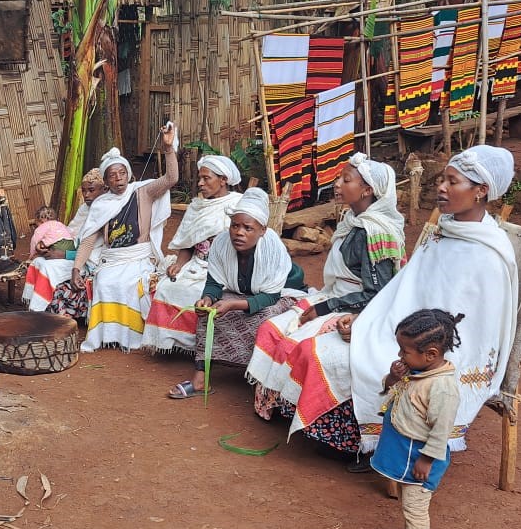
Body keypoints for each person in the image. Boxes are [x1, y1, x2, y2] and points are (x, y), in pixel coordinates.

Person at [255, 145, 518, 460]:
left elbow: (466, 329)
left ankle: (364, 446)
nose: (442, 187)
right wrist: (366, 322)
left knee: (327, 356)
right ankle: (342, 436)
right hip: (406, 331)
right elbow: (401, 292)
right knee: (314, 347)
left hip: (437, 351)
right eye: (443, 179)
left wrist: (400, 344)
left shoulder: (486, 254)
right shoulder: (444, 233)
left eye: (452, 181)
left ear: (481, 191)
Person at [247, 153, 405, 447]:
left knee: (303, 346)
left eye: (346, 179)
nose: (337, 183)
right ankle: (280, 407)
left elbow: (377, 293)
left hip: (358, 307)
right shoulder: (352, 221)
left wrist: (323, 308)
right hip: (336, 296)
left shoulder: (375, 233)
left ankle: (321, 425)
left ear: (368, 190)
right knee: (272, 329)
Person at [168, 188, 306, 398]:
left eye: (248, 228)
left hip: (281, 292)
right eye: (235, 226)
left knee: (265, 318)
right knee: (208, 316)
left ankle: (258, 377)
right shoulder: (222, 244)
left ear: (263, 230)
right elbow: (214, 282)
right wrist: (207, 299)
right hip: (243, 293)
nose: (239, 232)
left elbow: (270, 297)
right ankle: (200, 379)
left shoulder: (273, 249)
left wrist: (232, 305)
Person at [371, 309, 464, 529]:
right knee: (407, 499)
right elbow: (389, 388)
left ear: (431, 354)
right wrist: (393, 377)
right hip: (405, 450)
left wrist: (426, 459)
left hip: (419, 455)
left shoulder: (442, 388)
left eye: (405, 351)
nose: (400, 356)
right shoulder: (419, 370)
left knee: (415, 506)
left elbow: (441, 430)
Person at [73, 123, 179, 352]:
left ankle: (132, 338)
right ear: (106, 181)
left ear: (129, 174)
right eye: (113, 175)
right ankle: (107, 336)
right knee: (105, 282)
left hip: (138, 257)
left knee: (131, 284)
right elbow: (89, 239)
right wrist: (76, 268)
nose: (119, 179)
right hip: (113, 259)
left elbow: (171, 178)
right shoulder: (101, 203)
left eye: (122, 173)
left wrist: (168, 148)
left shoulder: (144, 192)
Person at [142, 154, 244, 353]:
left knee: (200, 294)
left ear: (223, 180)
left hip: (225, 267)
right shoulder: (196, 207)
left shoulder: (238, 204)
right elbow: (188, 242)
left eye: (207, 178)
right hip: (197, 264)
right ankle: (173, 344)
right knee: (167, 288)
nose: (200, 183)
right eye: (200, 178)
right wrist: (179, 265)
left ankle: (200, 347)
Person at [21, 169, 106, 317]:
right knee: (39, 261)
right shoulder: (85, 209)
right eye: (84, 190)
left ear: (104, 189)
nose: (86, 195)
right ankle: (38, 308)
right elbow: (70, 233)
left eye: (91, 190)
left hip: (92, 263)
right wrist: (49, 245)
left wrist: (64, 254)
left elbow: (90, 249)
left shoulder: (107, 211)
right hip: (76, 255)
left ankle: (39, 312)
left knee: (47, 267)